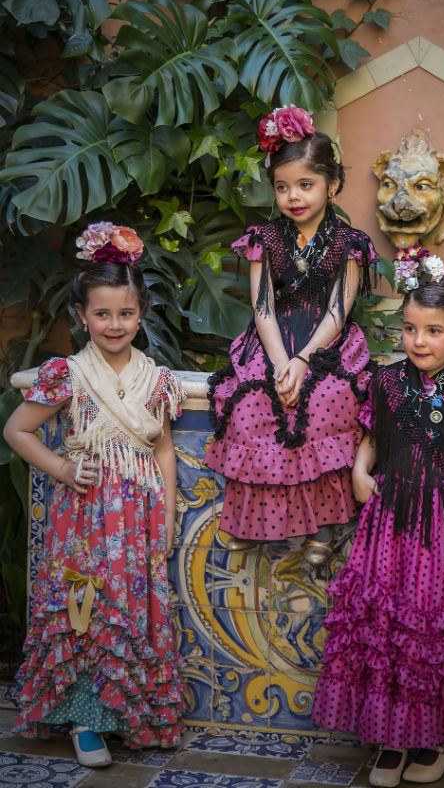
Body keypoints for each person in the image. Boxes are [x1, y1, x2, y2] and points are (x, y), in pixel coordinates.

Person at [312, 247, 444, 787]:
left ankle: (435, 738)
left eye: (433, 331)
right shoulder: (385, 382)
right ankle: (390, 738)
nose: (418, 341)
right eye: (409, 329)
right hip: (390, 523)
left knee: (435, 627)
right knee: (389, 628)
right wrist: (361, 470)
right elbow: (371, 435)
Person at [4, 222, 187, 767]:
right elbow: (16, 430)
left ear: (141, 313)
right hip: (83, 519)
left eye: (125, 313)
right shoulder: (68, 374)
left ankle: (130, 714)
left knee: (132, 610)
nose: (114, 324)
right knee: (87, 609)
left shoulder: (156, 379)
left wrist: (168, 513)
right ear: (82, 315)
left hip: (139, 517)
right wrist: (62, 467)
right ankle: (86, 721)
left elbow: (163, 449)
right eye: (102, 314)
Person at [204, 105, 377, 565]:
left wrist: (303, 362)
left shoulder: (349, 243)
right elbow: (262, 308)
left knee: (326, 405)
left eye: (305, 185)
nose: (293, 196)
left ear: (332, 185)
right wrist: (281, 361)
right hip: (272, 342)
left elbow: (338, 311)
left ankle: (322, 528)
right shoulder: (264, 239)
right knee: (253, 408)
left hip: (327, 344)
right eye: (282, 187)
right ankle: (252, 523)